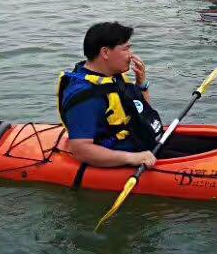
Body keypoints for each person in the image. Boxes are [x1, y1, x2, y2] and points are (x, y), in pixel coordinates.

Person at [57, 21, 163, 168]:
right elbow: (80, 150)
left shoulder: (112, 76)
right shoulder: (85, 95)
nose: (131, 55)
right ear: (105, 52)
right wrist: (132, 158)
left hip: (143, 142)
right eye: (126, 49)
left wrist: (141, 85)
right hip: (128, 155)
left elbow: (140, 111)